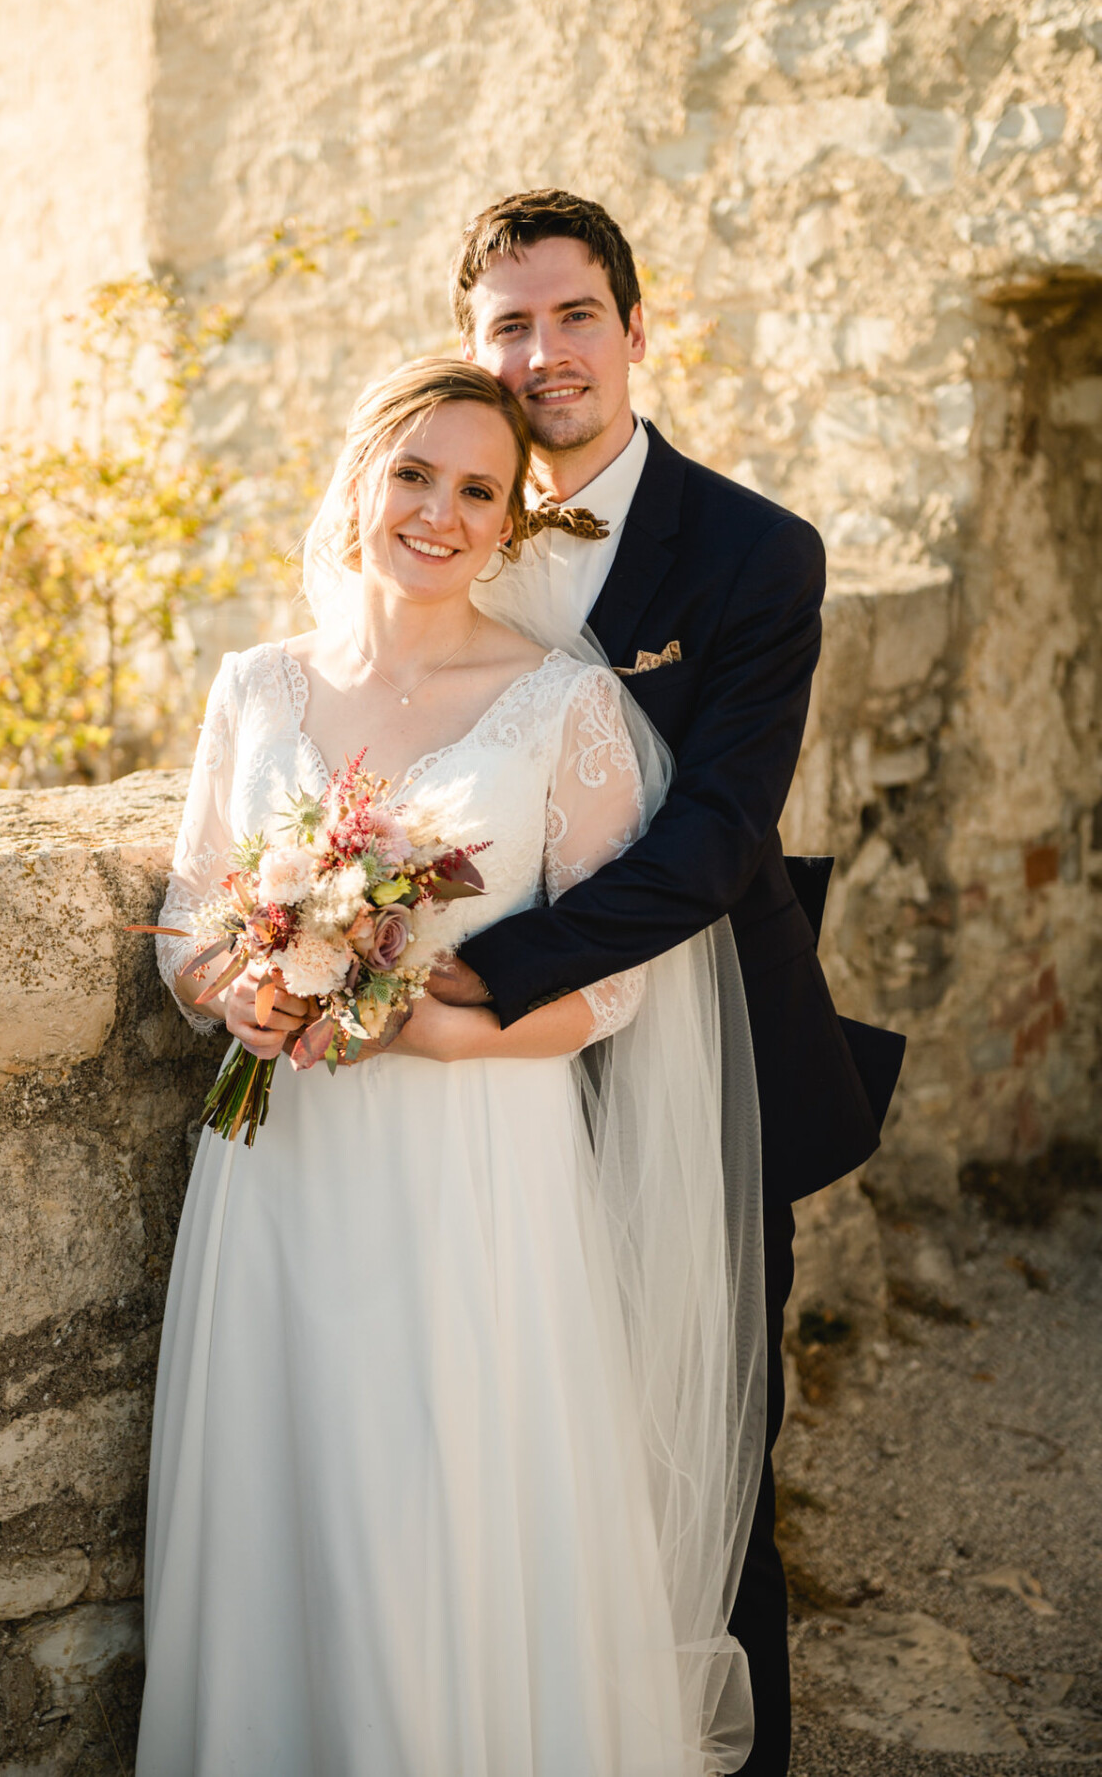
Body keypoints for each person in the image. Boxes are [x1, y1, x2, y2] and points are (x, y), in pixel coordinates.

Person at [136, 357, 768, 1775]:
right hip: (282, 1174)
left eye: (479, 489)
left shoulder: (561, 705)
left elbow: (608, 992)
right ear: (362, 471)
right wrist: (237, 995)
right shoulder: (256, 684)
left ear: (509, 524)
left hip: (474, 1185)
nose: (439, 510)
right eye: (415, 472)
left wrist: (410, 1021)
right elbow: (190, 917)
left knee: (441, 1512)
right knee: (287, 1504)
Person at [430, 189, 907, 1777]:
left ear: (639, 328)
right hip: (480, 1111)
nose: (546, 352)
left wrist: (466, 991)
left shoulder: (756, 554)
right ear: (471, 347)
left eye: (576, 316)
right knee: (503, 1446)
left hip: (693, 1062)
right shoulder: (443, 524)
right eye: (511, 323)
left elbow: (712, 846)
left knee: (703, 1455)